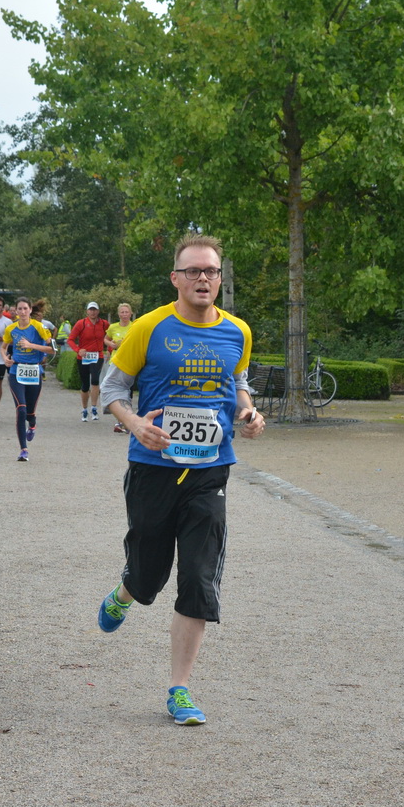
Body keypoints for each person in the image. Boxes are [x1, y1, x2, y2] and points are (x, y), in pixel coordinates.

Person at [96, 235, 265, 725]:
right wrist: (136, 426)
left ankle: (180, 690)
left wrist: (248, 413)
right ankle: (126, 592)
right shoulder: (148, 328)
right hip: (152, 470)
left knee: (197, 576)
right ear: (176, 278)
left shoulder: (238, 332)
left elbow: (237, 383)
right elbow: (112, 388)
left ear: (220, 279)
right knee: (149, 574)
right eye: (192, 271)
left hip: (210, 469)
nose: (202, 279)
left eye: (210, 272)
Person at [2, 297, 54, 462]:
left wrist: (32, 346)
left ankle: (32, 424)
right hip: (16, 371)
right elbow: (3, 347)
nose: (23, 312)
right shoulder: (11, 329)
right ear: (15, 311)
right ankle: (23, 449)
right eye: (20, 309)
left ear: (30, 310)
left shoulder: (39, 327)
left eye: (25, 309)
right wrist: (5, 358)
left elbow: (52, 350)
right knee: (21, 409)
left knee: (30, 412)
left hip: (33, 371)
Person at [70, 302, 110, 421]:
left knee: (95, 380)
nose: (93, 312)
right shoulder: (81, 323)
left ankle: (94, 407)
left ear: (98, 311)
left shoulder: (104, 324)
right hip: (83, 357)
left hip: (97, 356)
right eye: (90, 310)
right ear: (87, 311)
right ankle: (84, 409)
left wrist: (109, 349)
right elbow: (70, 340)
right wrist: (78, 350)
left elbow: (110, 336)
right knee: (85, 384)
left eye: (95, 310)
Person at [105, 302, 135, 433]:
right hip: (116, 362)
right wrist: (111, 344)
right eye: (122, 312)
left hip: (131, 361)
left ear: (131, 313)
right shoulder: (113, 327)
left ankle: (127, 420)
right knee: (117, 391)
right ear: (118, 314)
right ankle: (121, 421)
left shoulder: (135, 326)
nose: (124, 314)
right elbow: (105, 339)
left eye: (126, 312)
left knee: (128, 392)